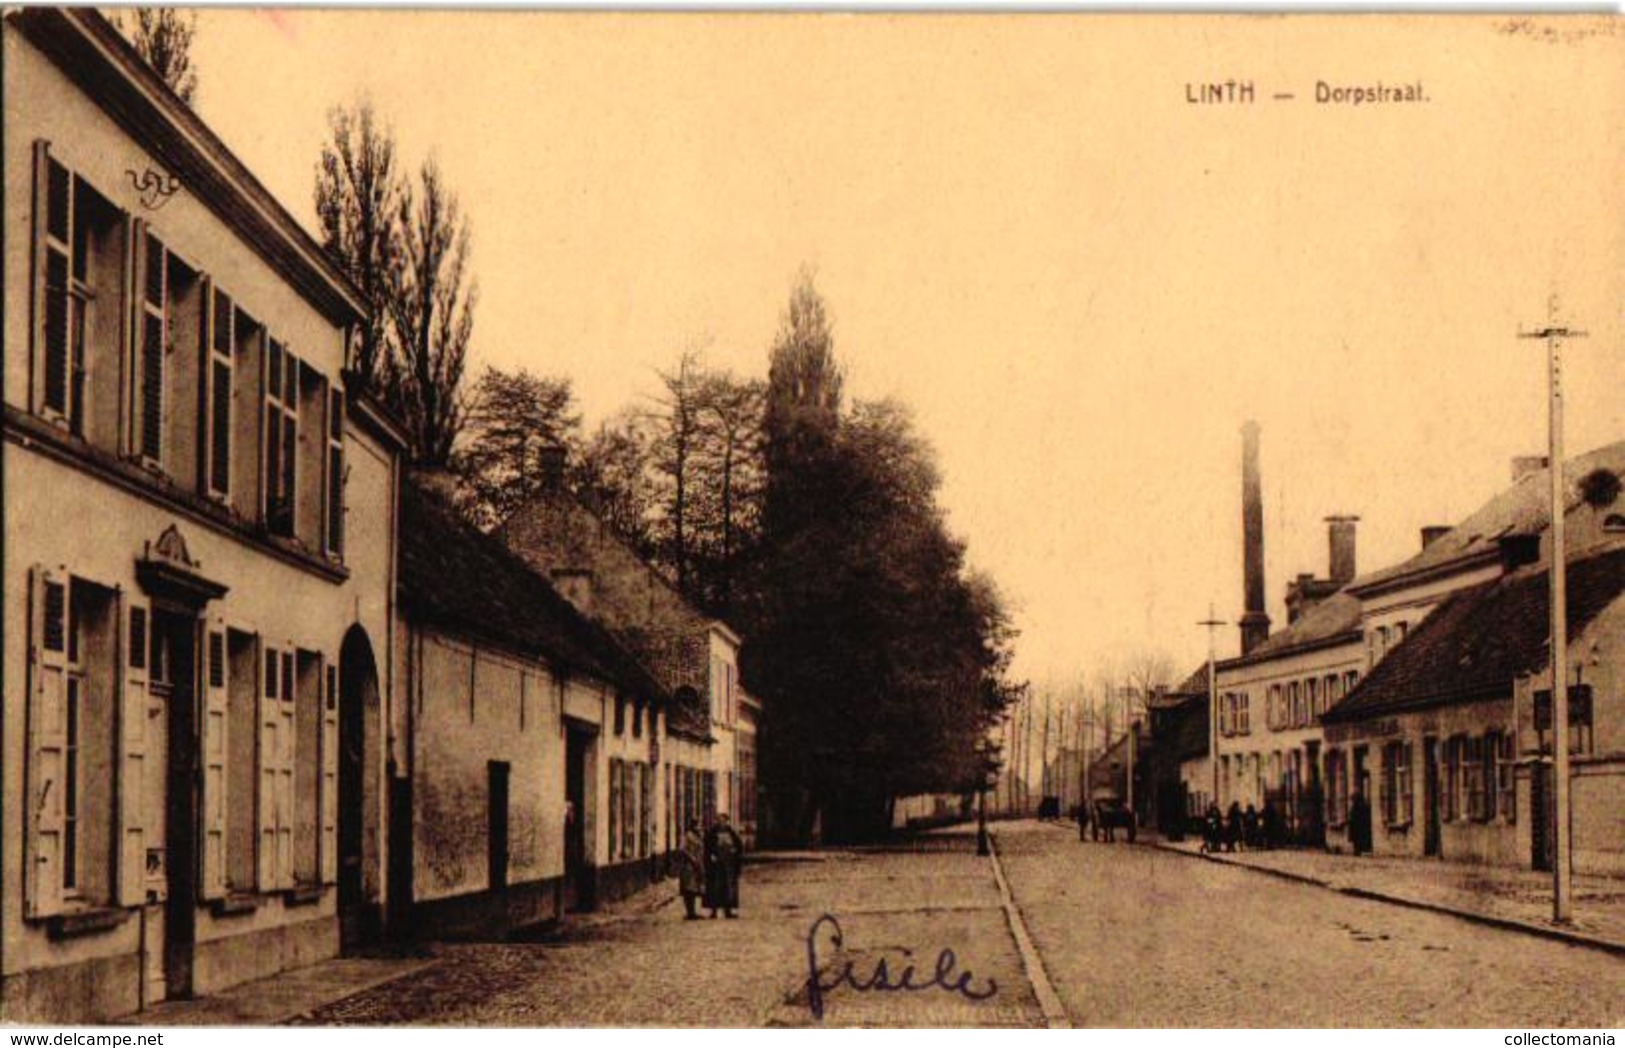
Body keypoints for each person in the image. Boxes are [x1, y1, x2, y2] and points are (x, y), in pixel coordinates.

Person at [704, 812, 744, 919]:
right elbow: (707, 846)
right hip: (716, 865)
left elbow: (739, 845)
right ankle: (714, 912)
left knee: (728, 888)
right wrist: (711, 855)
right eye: (719, 820)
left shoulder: (731, 832)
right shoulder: (712, 832)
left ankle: (728, 911)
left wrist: (735, 851)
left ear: (727, 821)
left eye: (724, 820)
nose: (722, 822)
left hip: (728, 865)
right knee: (714, 887)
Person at [677, 819, 706, 919]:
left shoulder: (698, 836)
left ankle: (692, 912)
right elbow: (682, 849)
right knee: (689, 889)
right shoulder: (687, 835)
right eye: (698, 825)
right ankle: (690, 912)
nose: (700, 827)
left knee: (693, 889)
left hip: (697, 866)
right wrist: (691, 858)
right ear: (693, 826)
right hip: (688, 867)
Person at [1349, 786, 1373, 856]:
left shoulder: (1360, 807)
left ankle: (1358, 850)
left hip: (1359, 827)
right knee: (1357, 840)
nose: (1353, 801)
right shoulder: (1357, 806)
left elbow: (1359, 817)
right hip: (1356, 827)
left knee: (1358, 840)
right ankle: (1357, 850)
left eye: (1353, 799)